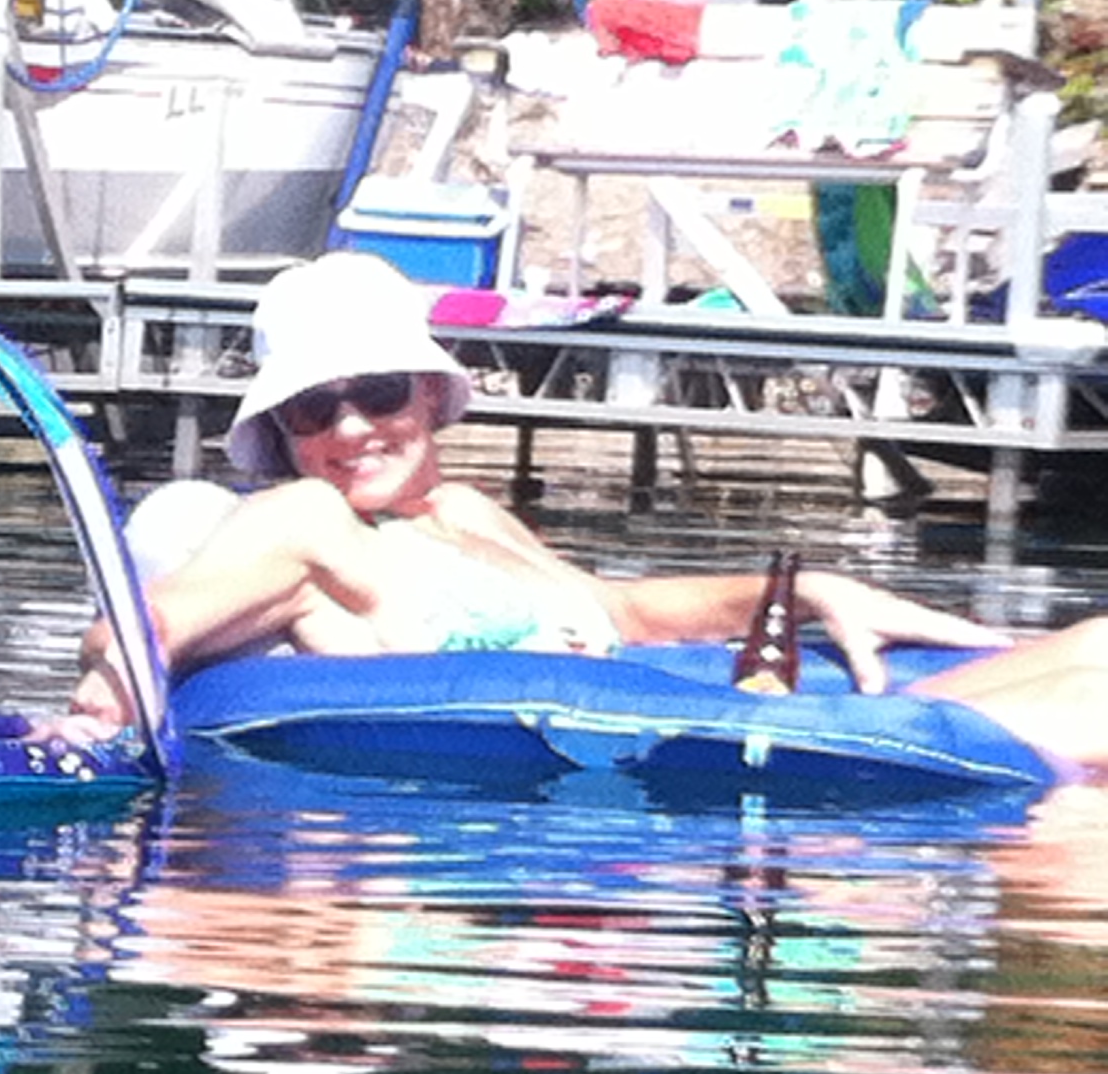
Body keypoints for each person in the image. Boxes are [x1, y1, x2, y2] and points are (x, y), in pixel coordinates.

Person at [77, 249, 1108, 774]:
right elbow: (141, 624)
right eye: (314, 408)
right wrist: (91, 718)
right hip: (630, 755)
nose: (351, 428)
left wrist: (806, 590)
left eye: (378, 392)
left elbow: (622, 613)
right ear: (283, 429)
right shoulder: (303, 516)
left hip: (666, 705)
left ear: (428, 393)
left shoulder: (466, 511)